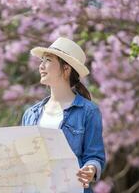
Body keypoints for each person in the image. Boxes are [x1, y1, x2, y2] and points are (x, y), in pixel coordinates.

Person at [20, 37, 106, 193]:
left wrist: (90, 169)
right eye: (41, 61)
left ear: (66, 69)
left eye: (48, 60)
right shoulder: (30, 114)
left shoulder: (88, 111)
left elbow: (94, 156)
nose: (41, 66)